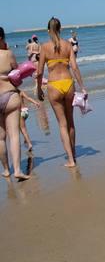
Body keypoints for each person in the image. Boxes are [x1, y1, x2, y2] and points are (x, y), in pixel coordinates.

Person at [36, 17, 84, 168]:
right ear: (61, 29)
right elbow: (75, 67)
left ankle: (70, 160)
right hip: (68, 84)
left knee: (62, 124)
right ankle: (74, 155)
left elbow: (39, 72)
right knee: (71, 122)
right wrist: (82, 86)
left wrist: (38, 89)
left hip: (54, 86)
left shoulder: (44, 47)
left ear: (48, 30)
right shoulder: (68, 45)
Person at [0, 27, 31, 180]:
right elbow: (17, 73)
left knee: (0, 137)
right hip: (10, 95)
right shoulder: (8, 54)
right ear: (1, 38)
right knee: (14, 135)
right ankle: (17, 170)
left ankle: (6, 170)